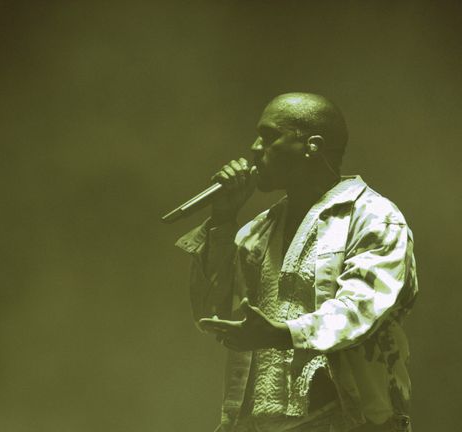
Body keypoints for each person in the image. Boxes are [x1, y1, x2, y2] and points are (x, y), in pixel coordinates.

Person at [176, 93, 417, 432]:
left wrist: (282, 334)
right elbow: (211, 312)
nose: (255, 147)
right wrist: (223, 218)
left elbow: (361, 309)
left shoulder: (375, 217)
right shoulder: (257, 230)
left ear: (311, 146)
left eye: (270, 136)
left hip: (346, 422)